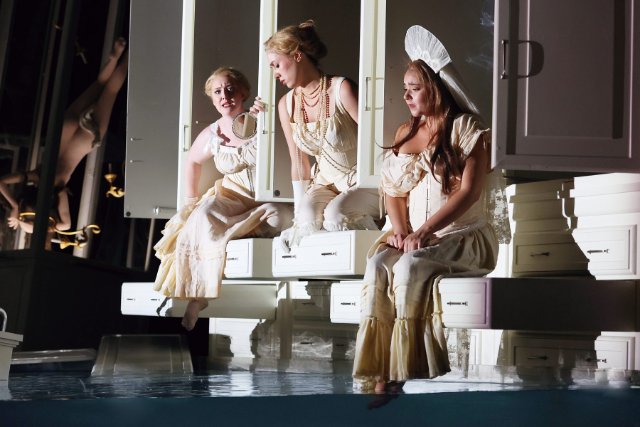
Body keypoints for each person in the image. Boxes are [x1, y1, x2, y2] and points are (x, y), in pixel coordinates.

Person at [352, 26, 510, 393]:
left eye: (414, 88)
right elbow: (393, 190)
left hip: (461, 236)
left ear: (435, 88)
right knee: (378, 264)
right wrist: (400, 229)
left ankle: (402, 369)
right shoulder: (405, 133)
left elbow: (469, 192)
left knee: (410, 266)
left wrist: (425, 232)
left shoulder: (467, 128)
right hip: (414, 236)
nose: (406, 95)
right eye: (404, 88)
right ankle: (378, 366)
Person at [153, 67, 294, 331]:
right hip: (232, 196)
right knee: (203, 215)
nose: (225, 96)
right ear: (212, 98)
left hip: (264, 198)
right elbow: (192, 161)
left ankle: (239, 235)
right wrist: (190, 200)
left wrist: (265, 120)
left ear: (243, 93)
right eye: (218, 92)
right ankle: (198, 297)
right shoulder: (213, 133)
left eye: (230, 89)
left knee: (281, 218)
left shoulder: (261, 121)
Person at [255, 20, 382, 251]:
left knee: (336, 215)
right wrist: (297, 217)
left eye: (276, 65)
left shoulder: (341, 89)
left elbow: (377, 141)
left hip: (361, 180)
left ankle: (373, 250)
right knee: (305, 219)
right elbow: (298, 162)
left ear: (297, 55)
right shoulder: (286, 104)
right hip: (324, 182)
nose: (275, 74)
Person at [0, 37, 128, 236]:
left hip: (84, 140)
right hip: (64, 131)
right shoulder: (34, 175)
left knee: (111, 89)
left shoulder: (57, 190)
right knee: (100, 83)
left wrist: (24, 222)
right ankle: (113, 58)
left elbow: (65, 225)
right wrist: (15, 207)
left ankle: (130, 54)